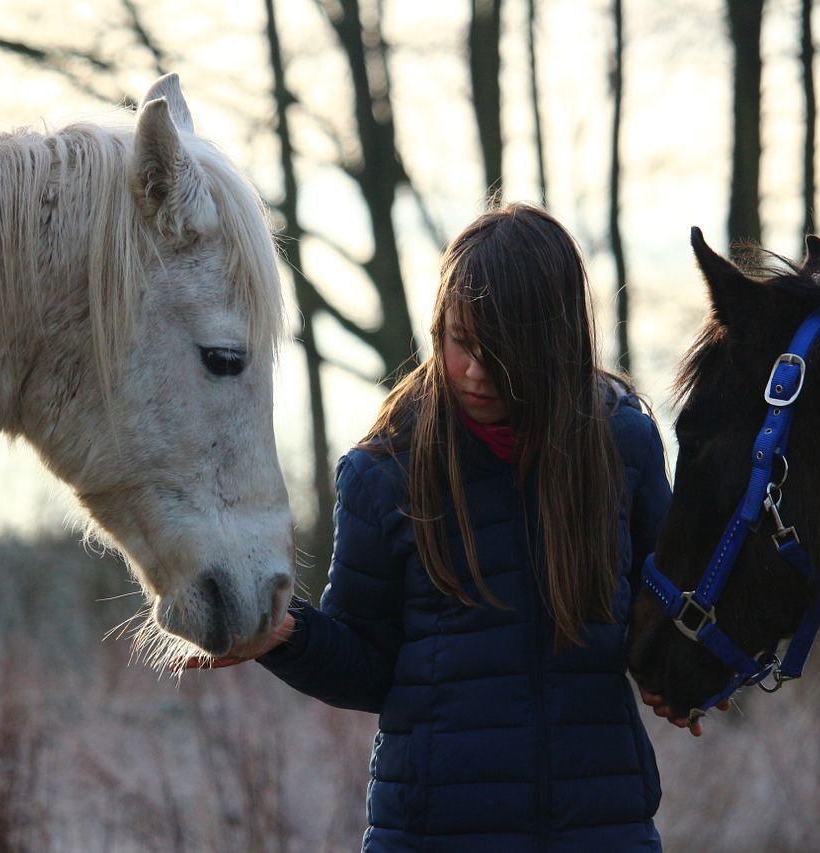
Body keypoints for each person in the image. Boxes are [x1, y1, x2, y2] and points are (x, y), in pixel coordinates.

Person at [189, 202, 694, 851]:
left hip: (605, 827)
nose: (476, 371)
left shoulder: (624, 443)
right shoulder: (384, 471)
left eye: (501, 350)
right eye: (462, 341)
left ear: (555, 340)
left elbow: (664, 609)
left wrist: (685, 677)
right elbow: (370, 667)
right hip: (431, 835)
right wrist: (286, 635)